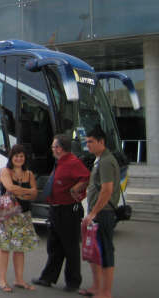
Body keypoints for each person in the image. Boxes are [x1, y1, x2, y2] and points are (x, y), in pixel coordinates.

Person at [33, 134, 90, 292]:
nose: (52, 149)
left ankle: (73, 282)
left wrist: (75, 189)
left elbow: (86, 177)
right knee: (54, 245)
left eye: (53, 147)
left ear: (60, 148)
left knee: (70, 247)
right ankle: (48, 277)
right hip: (56, 208)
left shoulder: (72, 162)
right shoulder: (60, 162)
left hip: (67, 210)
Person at [0, 144, 39, 293]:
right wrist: (27, 192)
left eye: (21, 156)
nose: (19, 159)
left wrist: (21, 192)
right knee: (4, 248)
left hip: (23, 215)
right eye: (16, 156)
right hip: (7, 216)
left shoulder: (29, 173)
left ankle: (19, 279)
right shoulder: (5, 171)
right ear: (11, 157)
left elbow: (35, 194)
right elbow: (10, 188)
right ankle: (2, 281)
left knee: (20, 248)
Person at [80, 127, 121, 298]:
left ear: (101, 142)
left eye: (90, 141)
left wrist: (93, 213)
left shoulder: (105, 161)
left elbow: (107, 190)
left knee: (105, 251)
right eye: (86, 141)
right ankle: (97, 287)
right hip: (98, 211)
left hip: (103, 212)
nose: (87, 145)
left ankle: (105, 292)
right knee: (95, 251)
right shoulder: (99, 159)